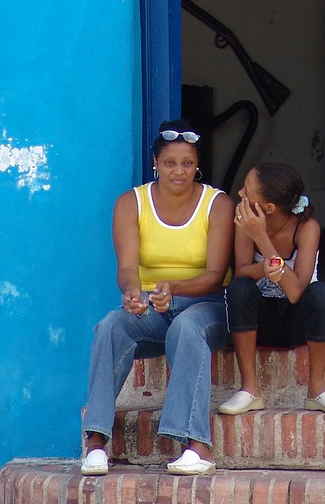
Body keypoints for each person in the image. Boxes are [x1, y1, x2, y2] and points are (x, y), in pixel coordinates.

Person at [81, 120, 235, 476]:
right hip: (154, 305)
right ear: (155, 163)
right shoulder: (131, 203)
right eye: (169, 162)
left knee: (187, 326)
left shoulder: (218, 203)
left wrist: (174, 288)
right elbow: (127, 268)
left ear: (198, 165)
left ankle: (195, 446)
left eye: (187, 163)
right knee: (112, 325)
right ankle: (95, 442)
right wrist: (133, 294)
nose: (178, 171)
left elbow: (215, 275)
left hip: (206, 305)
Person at [219, 162, 325, 415]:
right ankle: (250, 389)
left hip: (297, 322)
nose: (240, 194)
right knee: (239, 288)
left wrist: (262, 239)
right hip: (261, 323)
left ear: (268, 208)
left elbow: (295, 292)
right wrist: (265, 269)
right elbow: (242, 271)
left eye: (247, 192)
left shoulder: (306, 228)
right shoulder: (244, 223)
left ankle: (317, 389)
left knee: (321, 292)